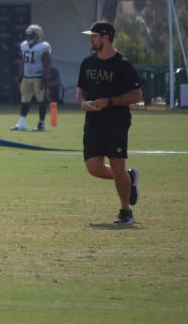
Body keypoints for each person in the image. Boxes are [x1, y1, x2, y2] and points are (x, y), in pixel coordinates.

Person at [77, 20, 142, 225]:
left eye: (94, 36)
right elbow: (80, 90)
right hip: (93, 121)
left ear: (106, 37)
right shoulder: (87, 63)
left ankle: (125, 211)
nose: (91, 39)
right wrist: (83, 103)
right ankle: (128, 179)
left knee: (117, 165)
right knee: (93, 168)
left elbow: (136, 95)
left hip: (116, 122)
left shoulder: (122, 65)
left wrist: (110, 102)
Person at [11, 24, 51, 131]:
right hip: (27, 77)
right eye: (28, 35)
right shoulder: (24, 45)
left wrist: (44, 78)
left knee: (41, 101)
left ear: (37, 35)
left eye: (31, 35)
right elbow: (23, 61)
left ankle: (41, 124)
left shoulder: (43, 46)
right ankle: (22, 123)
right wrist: (20, 75)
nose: (29, 37)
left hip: (38, 77)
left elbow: (47, 63)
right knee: (24, 100)